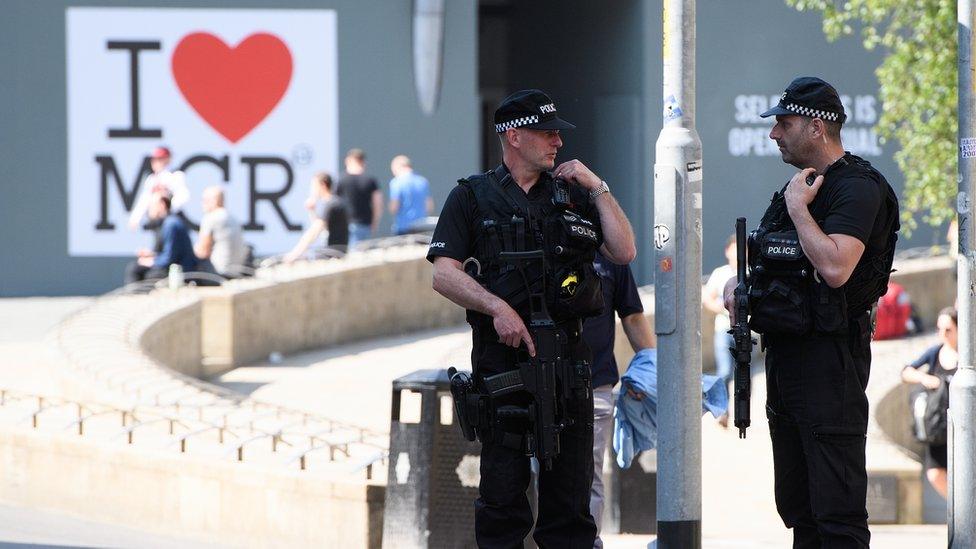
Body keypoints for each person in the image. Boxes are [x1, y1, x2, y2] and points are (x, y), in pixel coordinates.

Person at [429, 89, 636, 548]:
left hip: (568, 368)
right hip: (503, 367)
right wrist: (497, 308)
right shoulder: (471, 196)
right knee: (502, 501)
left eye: (558, 134)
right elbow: (444, 275)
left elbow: (623, 251)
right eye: (547, 133)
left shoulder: (574, 195)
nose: (558, 142)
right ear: (514, 136)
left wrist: (598, 186)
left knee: (570, 509)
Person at [723, 76, 899, 548]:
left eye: (784, 122)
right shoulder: (795, 188)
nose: (774, 133)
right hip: (786, 359)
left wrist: (800, 209)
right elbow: (770, 263)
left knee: (835, 512)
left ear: (817, 127)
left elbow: (836, 267)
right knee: (800, 508)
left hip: (830, 361)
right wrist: (738, 285)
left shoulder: (856, 187)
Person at [583, 250, 654, 548]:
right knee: (535, 476)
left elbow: (633, 316)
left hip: (595, 386)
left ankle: (588, 542)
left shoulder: (608, 252)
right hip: (536, 383)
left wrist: (652, 372)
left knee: (589, 476)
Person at [901, 307, 957, 498]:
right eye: (939, 329)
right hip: (938, 425)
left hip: (962, 426)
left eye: (948, 330)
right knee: (935, 473)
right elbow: (906, 371)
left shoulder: (968, 357)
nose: (943, 334)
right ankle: (958, 508)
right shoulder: (935, 353)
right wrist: (924, 379)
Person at [124, 192, 197, 284]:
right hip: (172, 267)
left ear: (162, 205)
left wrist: (151, 261)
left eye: (151, 206)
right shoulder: (165, 223)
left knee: (142, 273)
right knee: (136, 267)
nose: (149, 210)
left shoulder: (171, 224)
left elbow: (169, 258)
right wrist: (151, 255)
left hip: (181, 272)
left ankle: (135, 298)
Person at [702, 235, 737, 427]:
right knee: (724, 372)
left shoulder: (750, 272)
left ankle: (740, 410)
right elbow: (707, 298)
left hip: (746, 330)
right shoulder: (720, 273)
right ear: (727, 251)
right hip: (724, 329)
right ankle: (724, 411)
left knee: (743, 374)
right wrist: (724, 309)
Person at [284, 172, 350, 262]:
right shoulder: (332, 203)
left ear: (323, 185)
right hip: (334, 252)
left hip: (333, 254)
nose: (312, 190)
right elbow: (322, 228)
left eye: (314, 186)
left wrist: (295, 254)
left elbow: (314, 232)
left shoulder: (331, 204)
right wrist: (312, 211)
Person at [128, 146, 190, 230]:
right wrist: (135, 218)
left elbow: (183, 196)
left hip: (174, 218)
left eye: (160, 159)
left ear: (168, 160)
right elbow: (144, 199)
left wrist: (168, 208)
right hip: (159, 221)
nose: (156, 162)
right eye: (154, 159)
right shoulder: (151, 179)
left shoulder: (175, 176)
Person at [194, 186, 248, 277]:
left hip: (217, 273)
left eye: (204, 200)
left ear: (214, 201)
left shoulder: (210, 218)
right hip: (236, 273)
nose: (201, 204)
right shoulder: (233, 218)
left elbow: (202, 252)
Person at [335, 148, 381, 246]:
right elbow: (378, 204)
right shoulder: (370, 180)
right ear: (363, 161)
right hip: (365, 223)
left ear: (348, 160)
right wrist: (375, 222)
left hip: (346, 223)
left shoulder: (341, 179)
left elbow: (335, 202)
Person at [388, 155, 434, 235]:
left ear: (398, 167)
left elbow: (394, 207)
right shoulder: (422, 181)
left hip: (403, 226)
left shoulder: (396, 182)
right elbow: (429, 206)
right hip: (421, 226)